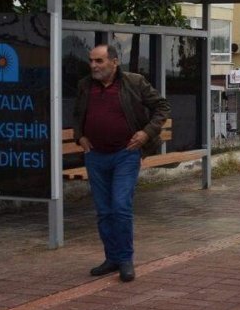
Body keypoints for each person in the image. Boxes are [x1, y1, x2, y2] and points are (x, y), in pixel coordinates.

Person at [73, 44, 171, 283]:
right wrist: (79, 136)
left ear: (114, 62)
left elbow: (162, 107)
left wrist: (146, 133)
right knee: (104, 211)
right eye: (91, 61)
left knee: (120, 206)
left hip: (125, 154)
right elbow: (77, 114)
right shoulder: (85, 85)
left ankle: (126, 260)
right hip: (95, 155)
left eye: (99, 61)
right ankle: (112, 258)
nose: (93, 66)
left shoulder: (134, 82)